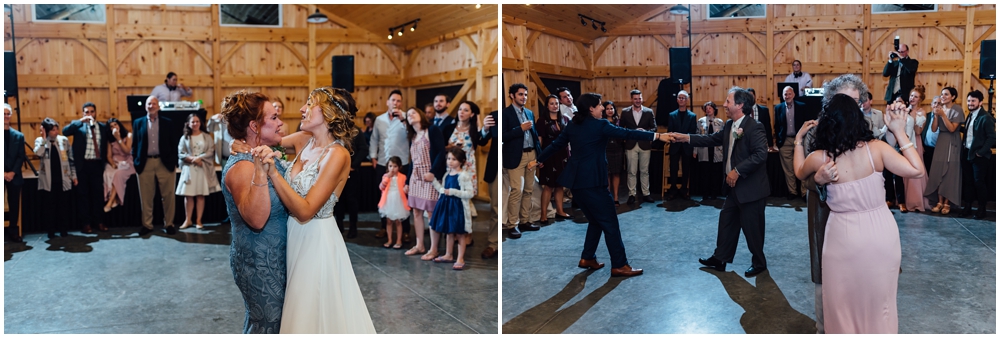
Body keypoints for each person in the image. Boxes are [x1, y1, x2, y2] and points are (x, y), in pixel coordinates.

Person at [794, 94, 925, 334]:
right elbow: (917, 171)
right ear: (858, 119)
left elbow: (799, 172)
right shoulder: (877, 150)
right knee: (880, 302)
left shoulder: (820, 158)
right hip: (880, 234)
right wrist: (899, 132)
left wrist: (798, 141)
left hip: (842, 237)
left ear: (827, 122)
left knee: (841, 304)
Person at [253, 86, 376, 333]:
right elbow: (261, 141)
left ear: (329, 113)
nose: (302, 109)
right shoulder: (302, 140)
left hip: (316, 240)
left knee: (310, 309)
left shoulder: (338, 155)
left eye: (310, 104)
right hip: (292, 235)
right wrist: (241, 145)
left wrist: (274, 172)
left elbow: (306, 210)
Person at [538, 92, 671, 277]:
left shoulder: (573, 126)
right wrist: (657, 136)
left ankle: (587, 257)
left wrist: (538, 160)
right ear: (591, 109)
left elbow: (555, 146)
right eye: (600, 105)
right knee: (610, 223)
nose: (603, 108)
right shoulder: (600, 125)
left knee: (595, 220)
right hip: (594, 183)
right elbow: (626, 133)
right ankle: (619, 265)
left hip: (577, 183)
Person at [670, 87, 770, 278]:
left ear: (740, 105)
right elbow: (709, 139)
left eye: (728, 101)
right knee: (727, 223)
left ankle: (759, 262)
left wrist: (737, 171)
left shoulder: (754, 126)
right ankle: (720, 259)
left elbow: (760, 155)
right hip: (734, 189)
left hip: (751, 189)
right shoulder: (729, 126)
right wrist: (685, 138)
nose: (724, 105)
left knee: (753, 229)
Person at [220, 90, 288, 333]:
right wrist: (260, 171)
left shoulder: (265, 152)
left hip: (279, 260)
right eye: (273, 118)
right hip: (259, 265)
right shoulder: (243, 167)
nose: (280, 122)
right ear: (254, 126)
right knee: (267, 326)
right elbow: (257, 220)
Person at [403, 107, 448, 259]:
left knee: (431, 212)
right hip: (416, 177)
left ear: (421, 115)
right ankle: (420, 245)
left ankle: (434, 249)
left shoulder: (432, 130)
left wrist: (433, 172)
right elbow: (412, 161)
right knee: (416, 212)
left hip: (430, 176)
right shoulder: (413, 136)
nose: (410, 116)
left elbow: (441, 152)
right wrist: (408, 181)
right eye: (408, 115)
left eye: (413, 113)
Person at [133, 96, 180, 236]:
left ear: (158, 106)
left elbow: (174, 143)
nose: (151, 106)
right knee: (146, 197)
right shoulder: (138, 123)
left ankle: (169, 224)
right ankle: (147, 225)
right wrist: (136, 162)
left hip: (164, 163)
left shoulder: (168, 123)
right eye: (149, 103)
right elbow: (135, 144)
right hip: (145, 163)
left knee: (168, 196)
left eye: (154, 103)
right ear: (145, 106)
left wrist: (172, 162)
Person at [370, 89, 411, 241]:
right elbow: (374, 139)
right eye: (393, 100)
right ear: (388, 102)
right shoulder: (379, 120)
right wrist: (373, 157)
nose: (395, 103)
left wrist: (403, 120)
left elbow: (412, 135)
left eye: (398, 101)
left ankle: (406, 230)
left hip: (402, 163)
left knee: (403, 196)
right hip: (383, 162)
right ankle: (383, 227)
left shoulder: (406, 117)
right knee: (383, 195)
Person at [63, 102, 111, 233]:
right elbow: (64, 132)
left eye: (92, 112)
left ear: (96, 113)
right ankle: (86, 224)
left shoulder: (102, 127)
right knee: (82, 195)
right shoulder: (78, 127)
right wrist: (80, 121)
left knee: (98, 195)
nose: (90, 114)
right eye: (87, 112)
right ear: (83, 114)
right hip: (82, 165)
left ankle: (99, 222)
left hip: (97, 164)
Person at [502, 83, 541, 239]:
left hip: (531, 154)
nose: (523, 97)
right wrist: (520, 129)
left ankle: (525, 221)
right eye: (520, 94)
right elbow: (502, 136)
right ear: (512, 95)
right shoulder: (505, 114)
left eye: (525, 94)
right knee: (517, 190)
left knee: (529, 190)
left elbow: (535, 135)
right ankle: (513, 225)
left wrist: (540, 156)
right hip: (515, 156)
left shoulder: (530, 113)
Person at [429, 147, 477, 270]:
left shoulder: (464, 176)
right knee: (449, 232)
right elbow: (443, 190)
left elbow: (470, 193)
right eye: (449, 158)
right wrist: (434, 181)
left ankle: (460, 257)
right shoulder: (447, 174)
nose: (450, 161)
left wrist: (454, 192)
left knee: (460, 234)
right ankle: (448, 254)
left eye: (454, 159)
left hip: (458, 208)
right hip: (447, 207)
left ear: (461, 161)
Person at [175, 114, 220, 229]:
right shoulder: (185, 137)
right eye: (193, 122)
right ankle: (188, 220)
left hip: (202, 169)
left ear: (200, 123)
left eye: (197, 121)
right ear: (189, 124)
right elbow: (181, 153)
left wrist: (200, 158)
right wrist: (193, 159)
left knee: (200, 195)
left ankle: (198, 220)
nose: (195, 124)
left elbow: (210, 151)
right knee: (188, 196)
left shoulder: (206, 136)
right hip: (189, 170)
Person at [35, 118, 76, 239]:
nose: (56, 132)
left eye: (57, 129)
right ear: (46, 131)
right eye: (53, 130)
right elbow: (38, 153)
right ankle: (51, 231)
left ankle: (64, 230)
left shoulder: (63, 140)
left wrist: (74, 176)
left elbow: (71, 159)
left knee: (63, 206)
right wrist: (43, 138)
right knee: (50, 207)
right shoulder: (40, 141)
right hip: (48, 180)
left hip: (63, 178)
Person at [924, 87, 963, 215]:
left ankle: (947, 203)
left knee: (950, 173)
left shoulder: (957, 109)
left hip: (952, 141)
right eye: (942, 94)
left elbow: (952, 128)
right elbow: (934, 129)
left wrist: (943, 115)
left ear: (953, 96)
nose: (943, 96)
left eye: (946, 94)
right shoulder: (940, 109)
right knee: (938, 171)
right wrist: (936, 115)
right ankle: (939, 201)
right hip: (941, 141)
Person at [449, 101, 489, 219]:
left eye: (466, 110)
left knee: (465, 193)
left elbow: (482, 140)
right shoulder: (450, 127)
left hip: (468, 165)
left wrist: (478, 121)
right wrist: (452, 146)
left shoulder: (473, 129)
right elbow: (441, 146)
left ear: (472, 114)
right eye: (460, 109)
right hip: (452, 165)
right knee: (453, 193)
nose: (461, 112)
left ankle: (466, 217)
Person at [536, 95, 571, 224]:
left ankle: (560, 211)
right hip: (549, 154)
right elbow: (539, 141)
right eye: (552, 103)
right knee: (549, 186)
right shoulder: (542, 120)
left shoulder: (564, 119)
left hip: (563, 154)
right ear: (547, 105)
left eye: (556, 103)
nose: (555, 106)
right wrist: (540, 158)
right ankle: (543, 214)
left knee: (560, 185)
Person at [959, 90, 994, 219]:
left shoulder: (986, 117)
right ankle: (967, 207)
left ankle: (981, 209)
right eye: (969, 101)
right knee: (968, 182)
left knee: (979, 183)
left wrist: (981, 152)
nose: (970, 103)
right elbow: (970, 132)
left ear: (980, 102)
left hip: (979, 156)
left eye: (973, 101)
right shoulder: (970, 115)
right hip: (967, 153)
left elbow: (992, 137)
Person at [620, 89, 657, 204]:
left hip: (644, 144)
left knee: (644, 171)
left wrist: (644, 131)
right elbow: (621, 129)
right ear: (631, 99)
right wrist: (632, 132)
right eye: (635, 99)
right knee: (631, 171)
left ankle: (646, 194)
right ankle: (632, 194)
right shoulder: (625, 112)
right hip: (630, 144)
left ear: (642, 99)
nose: (638, 101)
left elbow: (654, 128)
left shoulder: (648, 112)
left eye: (639, 98)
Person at [334, 123, 369, 238]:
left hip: (352, 171)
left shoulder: (355, 130)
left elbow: (363, 149)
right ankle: (339, 224)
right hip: (336, 171)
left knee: (351, 200)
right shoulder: (334, 129)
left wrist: (353, 165)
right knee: (337, 198)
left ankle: (353, 226)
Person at [774, 86, 809, 199]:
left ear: (793, 94)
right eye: (785, 94)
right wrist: (778, 141)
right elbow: (777, 125)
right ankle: (792, 192)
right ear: (782, 96)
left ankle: (804, 193)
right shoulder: (778, 108)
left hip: (800, 140)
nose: (787, 96)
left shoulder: (802, 107)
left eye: (789, 94)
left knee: (803, 166)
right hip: (785, 141)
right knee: (788, 169)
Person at [883, 96, 913, 212]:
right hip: (889, 149)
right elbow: (884, 131)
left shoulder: (909, 119)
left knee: (899, 177)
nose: (897, 104)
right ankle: (889, 199)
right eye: (896, 102)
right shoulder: (890, 117)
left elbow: (908, 135)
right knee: (888, 176)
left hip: (901, 148)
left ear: (904, 104)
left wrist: (898, 134)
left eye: (900, 102)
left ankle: (901, 202)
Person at [665, 90, 697, 200]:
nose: (681, 99)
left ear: (687, 100)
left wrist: (683, 139)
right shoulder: (672, 115)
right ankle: (673, 190)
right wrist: (675, 139)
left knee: (686, 169)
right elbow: (670, 131)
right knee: (673, 168)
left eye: (684, 98)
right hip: (675, 145)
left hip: (687, 146)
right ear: (677, 100)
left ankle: (684, 190)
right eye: (680, 98)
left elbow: (692, 132)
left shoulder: (692, 116)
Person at [903, 87, 929, 212]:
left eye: (915, 97)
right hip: (903, 142)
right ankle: (902, 199)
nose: (912, 98)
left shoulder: (921, 112)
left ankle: (915, 201)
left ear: (920, 100)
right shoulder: (904, 110)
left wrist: (913, 117)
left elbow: (919, 131)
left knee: (915, 170)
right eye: (911, 96)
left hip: (915, 143)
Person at [4, 104, 27, 243]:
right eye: (3, 114)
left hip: (14, 175)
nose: (6, 116)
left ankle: (13, 231)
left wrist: (12, 172)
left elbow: (21, 156)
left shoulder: (18, 136)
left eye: (8, 114)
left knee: (14, 205)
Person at [102, 118, 135, 213]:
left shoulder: (128, 136)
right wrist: (112, 164)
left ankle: (111, 201)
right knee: (107, 173)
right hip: (115, 162)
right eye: (111, 126)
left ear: (119, 125)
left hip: (127, 162)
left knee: (118, 174)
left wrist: (119, 139)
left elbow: (127, 151)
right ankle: (114, 198)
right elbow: (109, 156)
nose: (114, 127)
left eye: (115, 125)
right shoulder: (110, 140)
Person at [694, 101, 724, 200]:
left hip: (716, 150)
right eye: (706, 108)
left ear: (714, 109)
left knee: (715, 173)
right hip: (704, 150)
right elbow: (697, 136)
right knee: (705, 173)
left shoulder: (720, 122)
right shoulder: (701, 121)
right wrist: (695, 150)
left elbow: (722, 138)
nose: (708, 110)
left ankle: (714, 193)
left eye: (710, 108)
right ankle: (705, 194)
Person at [378, 156, 409, 249]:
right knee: (389, 221)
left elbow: (404, 189)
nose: (392, 168)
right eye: (390, 166)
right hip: (388, 200)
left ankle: (399, 240)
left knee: (398, 221)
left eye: (395, 166)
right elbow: (381, 187)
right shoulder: (385, 176)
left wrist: (406, 189)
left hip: (398, 200)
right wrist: (387, 178)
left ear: (399, 167)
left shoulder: (403, 177)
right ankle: (389, 239)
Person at [481, 109, 499, 259]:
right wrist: (485, 129)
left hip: (518, 163)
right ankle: (493, 243)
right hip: (497, 166)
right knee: (496, 207)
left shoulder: (526, 114)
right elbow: (481, 141)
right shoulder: (494, 116)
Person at [603, 101, 625, 206]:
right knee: (607, 174)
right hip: (606, 149)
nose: (610, 110)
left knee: (616, 173)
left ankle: (616, 197)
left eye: (611, 108)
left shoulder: (618, 121)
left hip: (617, 148)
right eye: (607, 108)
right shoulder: (602, 121)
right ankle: (607, 197)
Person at [921, 96, 941, 173]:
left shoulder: (944, 117)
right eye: (935, 103)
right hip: (927, 149)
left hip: (939, 150)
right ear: (931, 105)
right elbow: (921, 132)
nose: (936, 105)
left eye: (939, 103)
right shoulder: (926, 116)